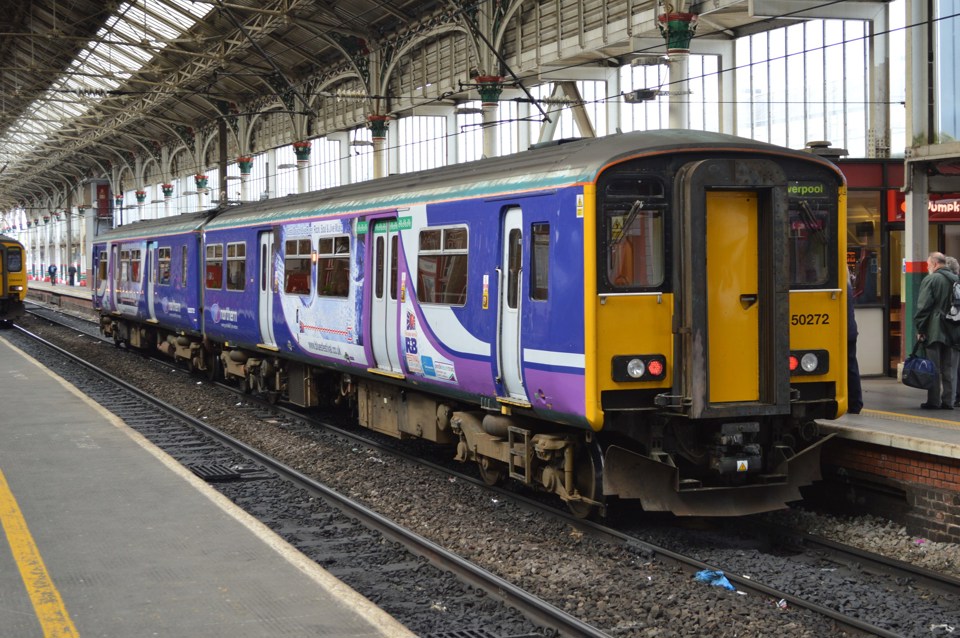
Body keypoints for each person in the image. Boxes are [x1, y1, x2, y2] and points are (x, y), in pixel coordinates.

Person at [914, 251, 959, 409]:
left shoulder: (931, 279)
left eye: (927, 264)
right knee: (949, 367)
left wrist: (920, 327)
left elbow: (923, 307)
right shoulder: (956, 279)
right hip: (954, 329)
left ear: (934, 264)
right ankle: (949, 401)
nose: (927, 267)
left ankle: (933, 401)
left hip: (935, 329)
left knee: (933, 366)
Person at [847, 273, 863, 414]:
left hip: (843, 333)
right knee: (851, 367)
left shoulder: (843, 287)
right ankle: (855, 403)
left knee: (849, 366)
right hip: (850, 331)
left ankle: (854, 402)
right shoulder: (848, 287)